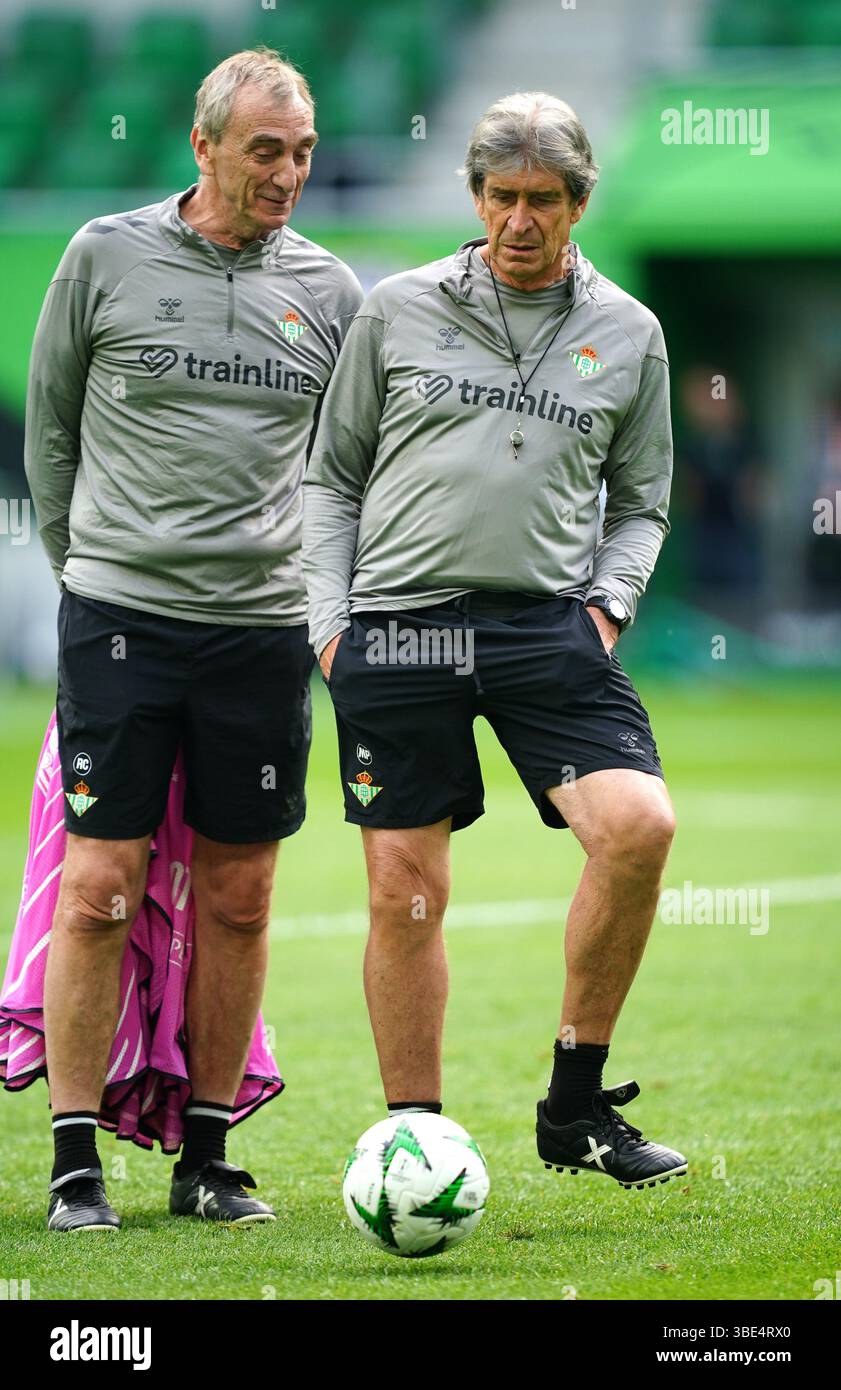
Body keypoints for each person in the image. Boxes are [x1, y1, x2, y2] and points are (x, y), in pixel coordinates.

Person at [302, 92, 686, 1191]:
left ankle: (574, 1105)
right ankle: (414, 1140)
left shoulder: (631, 332)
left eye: (544, 201)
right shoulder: (396, 310)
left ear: (578, 203)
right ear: (474, 197)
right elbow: (329, 480)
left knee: (638, 828)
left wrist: (605, 610)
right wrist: (330, 628)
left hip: (544, 627)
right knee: (404, 888)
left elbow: (642, 501)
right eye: (501, 197)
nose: (521, 219)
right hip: (400, 623)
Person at [24, 48, 363, 1231]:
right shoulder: (104, 256)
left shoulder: (332, 293)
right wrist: (93, 570)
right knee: (101, 886)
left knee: (242, 894)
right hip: (120, 618)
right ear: (204, 143)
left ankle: (208, 1157)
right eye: (265, 149)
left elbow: (349, 469)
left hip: (261, 631)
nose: (287, 173)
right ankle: (75, 1160)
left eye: (304, 152)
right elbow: (51, 428)